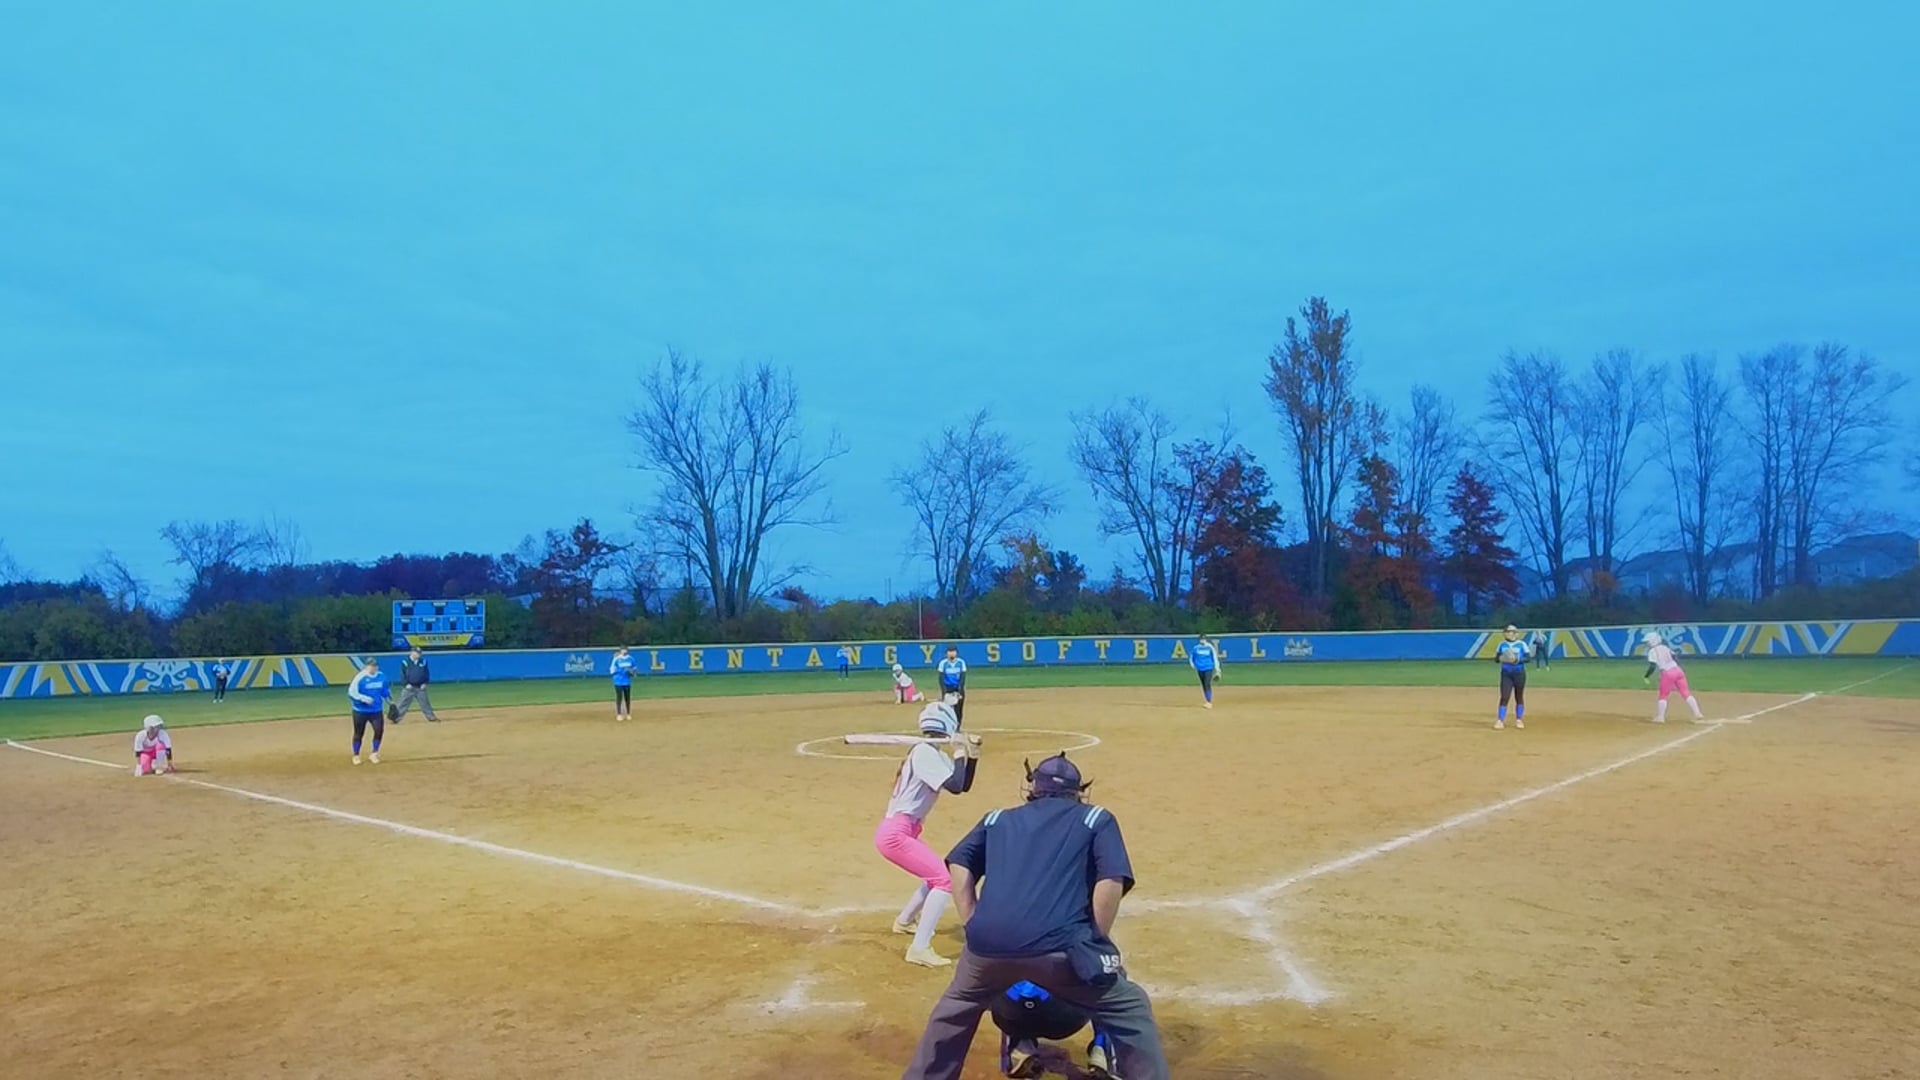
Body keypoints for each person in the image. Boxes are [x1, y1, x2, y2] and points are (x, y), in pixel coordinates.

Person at [900, 753, 1169, 1080]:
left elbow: (959, 863)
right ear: (1078, 791)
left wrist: (972, 921)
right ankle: (1103, 1051)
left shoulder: (995, 819)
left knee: (954, 1010)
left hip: (987, 951)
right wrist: (1095, 938)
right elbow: (1110, 880)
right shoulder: (1095, 818)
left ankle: (1002, 1049)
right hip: (1060, 951)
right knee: (1129, 1006)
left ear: (1032, 787)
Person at [880, 696, 980, 968]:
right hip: (896, 834)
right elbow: (956, 786)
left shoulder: (933, 754)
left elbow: (961, 784)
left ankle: (904, 921)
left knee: (936, 872)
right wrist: (959, 752)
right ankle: (919, 948)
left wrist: (971, 756)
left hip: (905, 831)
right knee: (944, 880)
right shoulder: (924, 753)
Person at [991, 980, 1116, 1078]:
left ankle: (1019, 1047)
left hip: (1013, 1021)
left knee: (1002, 980)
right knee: (1110, 974)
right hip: (1063, 1021)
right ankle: (1103, 1052)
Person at [1641, 631, 1704, 723]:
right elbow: (1674, 656)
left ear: (1653, 641)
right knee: (1686, 693)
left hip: (1667, 673)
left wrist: (1646, 676)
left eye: (1648, 642)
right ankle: (1698, 713)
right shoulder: (1665, 647)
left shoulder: (1652, 651)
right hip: (1678, 670)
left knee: (1663, 695)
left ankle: (1660, 717)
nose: (1647, 644)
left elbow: (1652, 666)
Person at [347, 658, 390, 765]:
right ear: (366, 667)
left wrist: (391, 702)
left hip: (376, 710)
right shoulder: (360, 677)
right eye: (371, 666)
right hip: (360, 710)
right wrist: (363, 699)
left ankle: (374, 753)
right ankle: (356, 755)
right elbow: (351, 693)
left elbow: (385, 691)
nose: (373, 668)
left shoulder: (381, 676)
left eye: (375, 666)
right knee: (359, 733)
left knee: (379, 730)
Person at [1494, 624, 1531, 730]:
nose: (1509, 634)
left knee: (1518, 696)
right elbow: (1496, 659)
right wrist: (1502, 658)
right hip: (1506, 674)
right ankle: (1500, 720)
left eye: (1511, 632)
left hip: (1519, 673)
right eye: (1507, 632)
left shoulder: (1521, 644)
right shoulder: (1502, 645)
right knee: (1504, 696)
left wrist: (1517, 660)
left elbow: (1528, 658)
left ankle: (1519, 719)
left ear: (1515, 633)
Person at [390, 647, 440, 723]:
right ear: (412, 652)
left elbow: (426, 673)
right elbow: (402, 674)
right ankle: (395, 718)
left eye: (419, 653)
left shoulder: (423, 661)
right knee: (402, 703)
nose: (419, 655)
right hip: (409, 687)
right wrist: (406, 684)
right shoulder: (405, 662)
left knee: (425, 703)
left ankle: (431, 717)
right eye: (417, 653)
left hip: (420, 687)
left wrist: (425, 683)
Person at [1189, 634, 1223, 709]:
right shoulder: (1196, 648)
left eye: (1204, 639)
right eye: (1201, 639)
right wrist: (1192, 664)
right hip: (1200, 669)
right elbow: (1191, 657)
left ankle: (1209, 702)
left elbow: (1214, 658)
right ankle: (1207, 700)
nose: (1202, 640)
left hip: (1208, 668)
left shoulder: (1210, 647)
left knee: (1207, 684)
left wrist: (1217, 669)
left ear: (1206, 640)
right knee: (1204, 685)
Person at [937, 646, 968, 722]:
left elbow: (963, 677)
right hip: (948, 688)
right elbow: (941, 678)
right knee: (947, 710)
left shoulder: (961, 662)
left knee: (959, 709)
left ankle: (958, 725)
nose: (951, 653)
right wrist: (944, 691)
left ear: (956, 653)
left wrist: (960, 689)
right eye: (950, 651)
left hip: (958, 688)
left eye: (953, 651)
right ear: (946, 653)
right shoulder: (943, 663)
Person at [610, 646, 636, 721]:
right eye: (622, 650)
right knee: (619, 697)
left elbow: (634, 668)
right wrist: (620, 671)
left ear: (627, 650)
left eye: (625, 650)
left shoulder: (631, 658)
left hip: (627, 681)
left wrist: (631, 672)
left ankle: (628, 714)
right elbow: (611, 670)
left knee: (627, 698)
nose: (624, 651)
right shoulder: (616, 659)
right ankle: (619, 714)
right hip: (618, 681)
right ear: (620, 651)